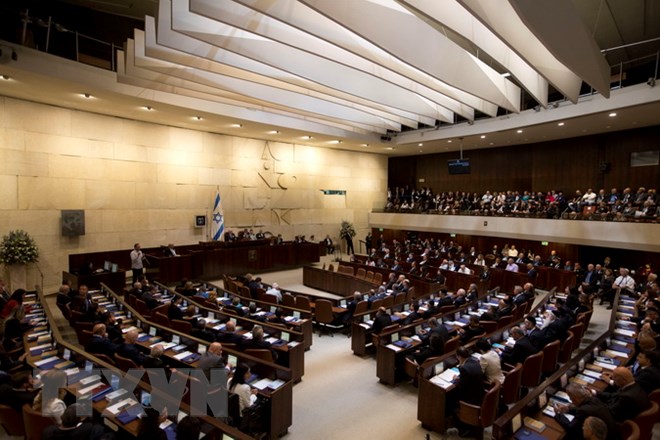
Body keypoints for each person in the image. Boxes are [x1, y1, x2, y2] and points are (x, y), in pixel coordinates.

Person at [553, 383, 618, 440]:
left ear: (575, 398)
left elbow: (571, 428)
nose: (570, 399)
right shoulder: (593, 399)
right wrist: (568, 409)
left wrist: (558, 415)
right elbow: (586, 409)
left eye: (570, 397)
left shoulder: (583, 411)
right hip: (613, 433)